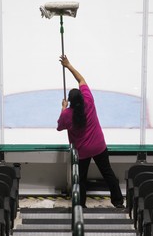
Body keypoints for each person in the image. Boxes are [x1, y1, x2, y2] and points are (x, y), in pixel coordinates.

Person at [57, 54, 124, 208]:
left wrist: (63, 108)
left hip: (83, 151)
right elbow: (81, 80)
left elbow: (60, 127)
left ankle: (81, 205)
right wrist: (69, 65)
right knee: (108, 173)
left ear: (71, 101)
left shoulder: (68, 114)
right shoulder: (89, 99)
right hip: (99, 145)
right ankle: (118, 201)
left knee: (81, 179)